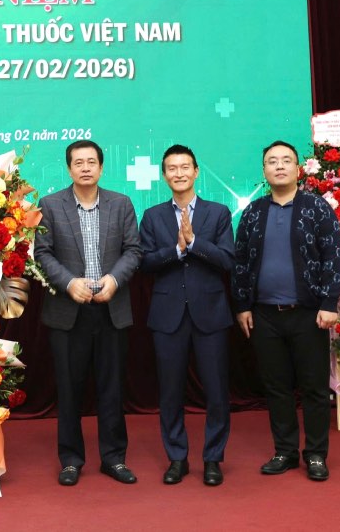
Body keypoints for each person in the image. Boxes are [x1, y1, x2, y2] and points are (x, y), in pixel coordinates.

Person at [232, 140, 340, 481]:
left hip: (308, 314)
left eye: (286, 161)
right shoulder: (253, 212)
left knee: (313, 388)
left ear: (298, 169)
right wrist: (241, 306)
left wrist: (328, 303)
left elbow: (334, 258)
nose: (279, 166)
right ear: (264, 171)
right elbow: (241, 262)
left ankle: (316, 455)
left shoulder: (317, 207)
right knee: (276, 386)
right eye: (271, 161)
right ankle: (284, 451)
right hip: (264, 314)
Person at [34, 139, 143, 487]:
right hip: (68, 312)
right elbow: (43, 253)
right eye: (78, 162)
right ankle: (70, 459)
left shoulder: (121, 204)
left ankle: (114, 458)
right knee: (68, 389)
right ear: (69, 169)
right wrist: (69, 283)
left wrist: (113, 279)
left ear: (101, 167)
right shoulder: (50, 205)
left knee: (112, 388)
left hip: (111, 309)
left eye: (91, 161)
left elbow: (133, 250)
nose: (85, 167)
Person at [139, 145, 234, 487]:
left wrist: (195, 244)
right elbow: (145, 263)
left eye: (184, 167)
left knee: (217, 391)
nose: (178, 173)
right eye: (171, 169)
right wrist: (177, 250)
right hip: (167, 316)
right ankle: (177, 457)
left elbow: (227, 261)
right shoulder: (152, 216)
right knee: (170, 392)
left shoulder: (218, 213)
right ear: (164, 175)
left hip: (211, 313)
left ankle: (212, 458)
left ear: (196, 171)